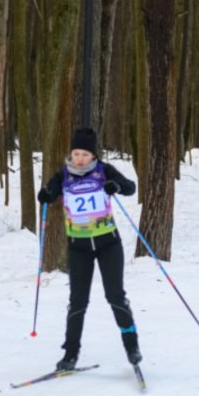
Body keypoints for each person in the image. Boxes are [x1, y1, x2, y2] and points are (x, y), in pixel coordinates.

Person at [37, 128, 140, 371]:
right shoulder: (63, 176)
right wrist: (46, 194)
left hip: (108, 244)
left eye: (85, 154)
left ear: (93, 156)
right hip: (78, 247)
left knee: (115, 296)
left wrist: (116, 186)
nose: (80, 158)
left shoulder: (104, 171)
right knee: (77, 302)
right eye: (76, 153)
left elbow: (130, 187)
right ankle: (70, 354)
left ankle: (132, 347)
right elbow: (49, 194)